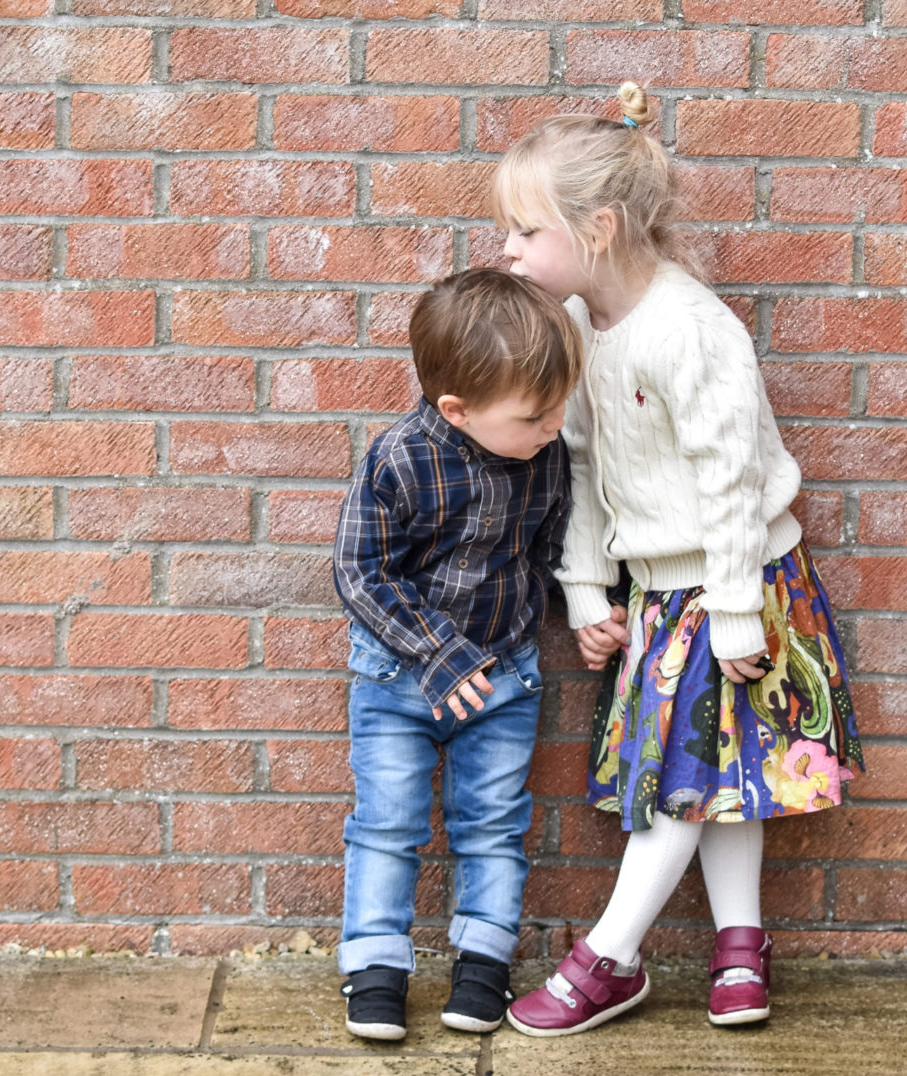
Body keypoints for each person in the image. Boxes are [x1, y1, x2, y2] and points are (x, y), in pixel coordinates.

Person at [493, 82, 865, 1037]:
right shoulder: (581, 326)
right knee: (718, 775)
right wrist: (584, 589)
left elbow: (734, 481)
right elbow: (578, 463)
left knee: (678, 786)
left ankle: (607, 959)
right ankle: (741, 945)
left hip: (737, 586)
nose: (509, 250)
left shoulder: (691, 329)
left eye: (526, 231)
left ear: (600, 227)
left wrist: (738, 609)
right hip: (662, 596)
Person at [331, 268, 581, 1041]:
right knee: (387, 823)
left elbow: (548, 553)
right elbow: (358, 571)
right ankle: (374, 967)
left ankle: (484, 962)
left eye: (559, 407)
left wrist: (587, 612)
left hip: (505, 681)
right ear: (458, 410)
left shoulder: (546, 453)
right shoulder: (400, 459)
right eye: (535, 414)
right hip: (399, 682)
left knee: (493, 825)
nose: (553, 425)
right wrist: (438, 657)